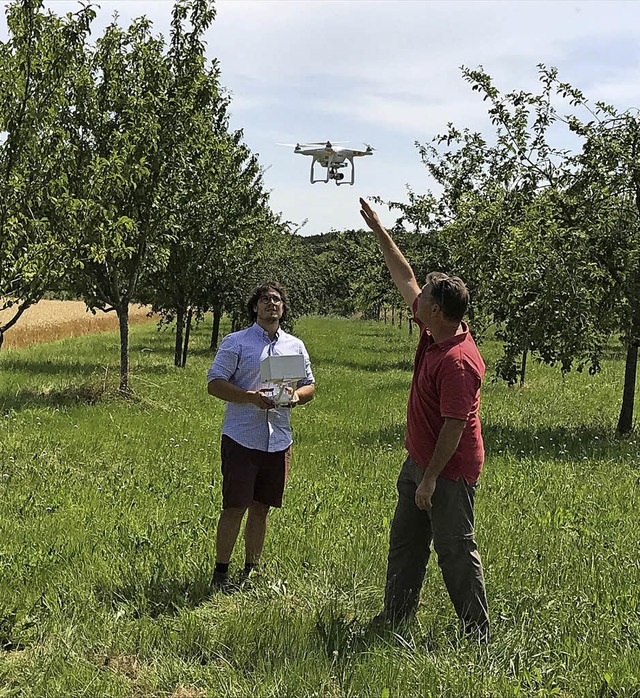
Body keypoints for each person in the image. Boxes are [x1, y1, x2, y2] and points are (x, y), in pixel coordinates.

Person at [359, 197, 490, 638]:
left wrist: (431, 479)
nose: (417, 301)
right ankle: (395, 617)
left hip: (447, 470)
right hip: (420, 460)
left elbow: (455, 426)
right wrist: (380, 231)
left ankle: (477, 633)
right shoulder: (435, 330)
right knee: (407, 544)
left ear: (437, 311)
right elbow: (406, 278)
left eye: (426, 300)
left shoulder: (457, 361)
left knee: (454, 548)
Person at [207, 282, 315, 589]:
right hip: (243, 437)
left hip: (279, 438)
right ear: (255, 307)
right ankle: (221, 573)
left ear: (283, 308)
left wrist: (296, 397)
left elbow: (309, 386)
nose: (272, 304)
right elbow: (214, 383)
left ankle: (250, 569)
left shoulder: (295, 345)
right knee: (234, 506)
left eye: (277, 300)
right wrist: (249, 396)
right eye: (265, 299)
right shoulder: (236, 342)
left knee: (262, 507)